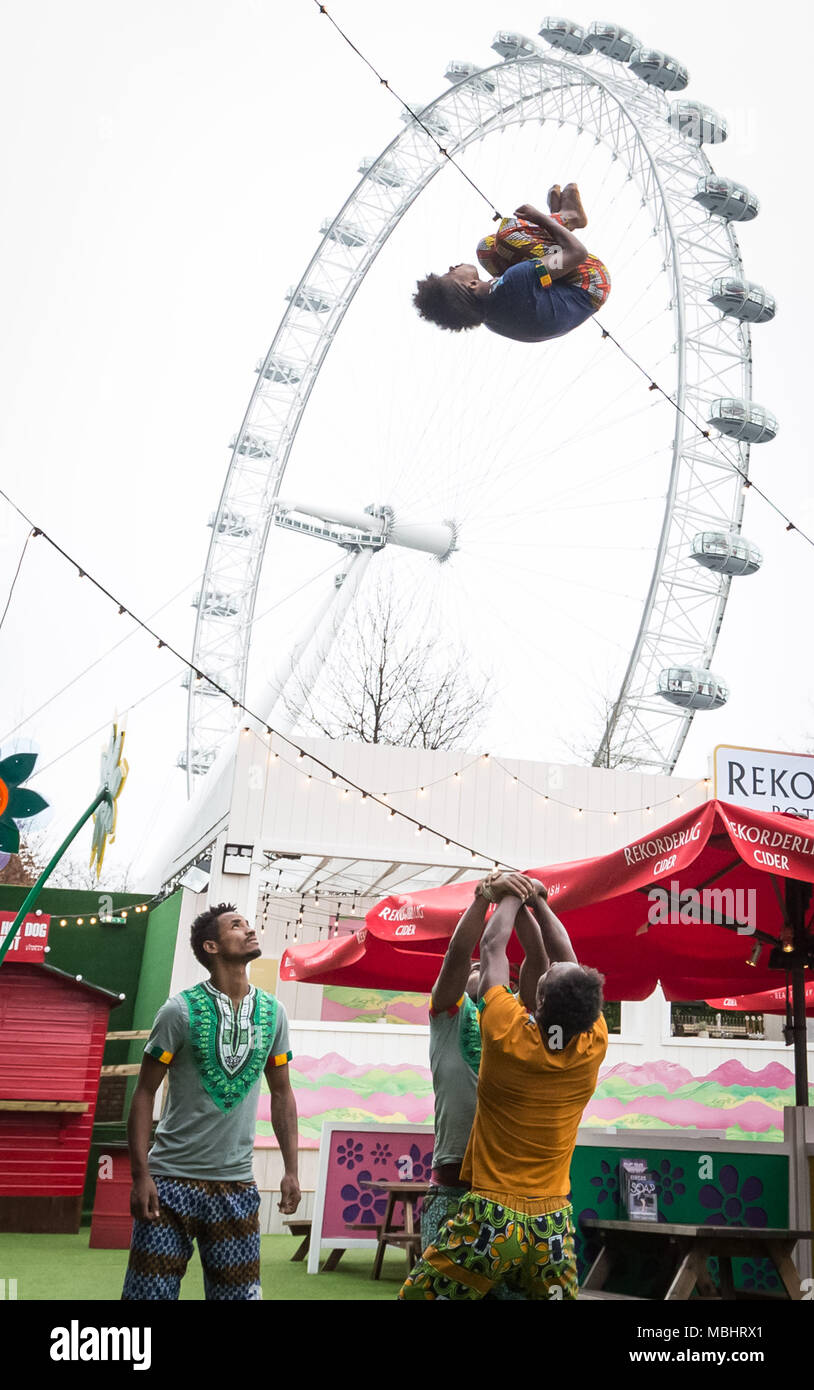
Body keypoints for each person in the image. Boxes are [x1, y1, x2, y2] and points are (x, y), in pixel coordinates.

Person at [400, 879, 607, 1301]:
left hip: (489, 1210)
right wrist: (538, 900)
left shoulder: (507, 1028)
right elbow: (558, 960)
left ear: (534, 1000)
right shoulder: (594, 1039)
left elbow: (494, 948)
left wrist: (508, 893)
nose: (477, 973)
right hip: (550, 1221)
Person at [121, 903, 301, 1301]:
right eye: (237, 926)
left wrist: (292, 1169)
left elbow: (282, 1094)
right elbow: (145, 1093)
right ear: (212, 947)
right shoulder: (178, 1011)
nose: (249, 930)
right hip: (168, 1185)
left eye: (248, 924)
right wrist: (140, 1175)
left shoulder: (274, 1014)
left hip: (236, 1187)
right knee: (148, 1296)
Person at [421, 869, 544, 1255]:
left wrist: (520, 902)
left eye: (485, 968)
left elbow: (537, 963)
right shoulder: (447, 1016)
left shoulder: (515, 1020)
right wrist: (484, 897)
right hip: (454, 1183)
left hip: (508, 1188)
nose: (477, 969)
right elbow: (458, 956)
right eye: (472, 971)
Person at [413, 182, 610, 342]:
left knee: (488, 249)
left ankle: (557, 223)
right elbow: (577, 253)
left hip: (556, 291)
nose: (451, 268)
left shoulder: (491, 317)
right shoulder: (515, 282)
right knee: (509, 235)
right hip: (590, 282)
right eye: (450, 274)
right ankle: (570, 217)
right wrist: (539, 218)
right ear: (472, 284)